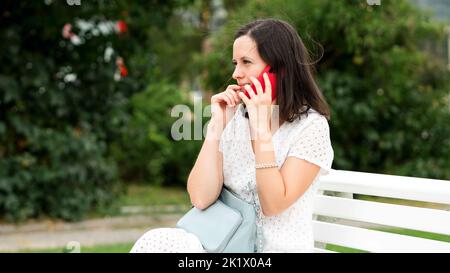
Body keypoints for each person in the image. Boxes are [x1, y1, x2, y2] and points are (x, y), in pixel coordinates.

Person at [130, 18, 334, 253]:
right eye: (235, 63)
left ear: (279, 70)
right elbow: (200, 198)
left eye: (247, 62)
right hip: (222, 246)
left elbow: (273, 204)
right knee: (158, 242)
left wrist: (260, 129)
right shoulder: (237, 119)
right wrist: (217, 126)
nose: (236, 73)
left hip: (274, 250)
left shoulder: (311, 127)